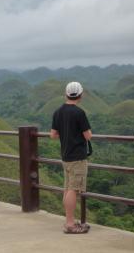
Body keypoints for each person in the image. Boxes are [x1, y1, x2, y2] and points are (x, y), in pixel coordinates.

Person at [50, 81, 92, 234]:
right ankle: (70, 224)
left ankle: (70, 221)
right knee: (73, 189)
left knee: (68, 189)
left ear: (66, 94)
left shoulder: (58, 111)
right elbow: (88, 135)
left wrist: (67, 133)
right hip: (78, 157)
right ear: (80, 95)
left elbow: (53, 135)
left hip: (66, 156)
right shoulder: (79, 113)